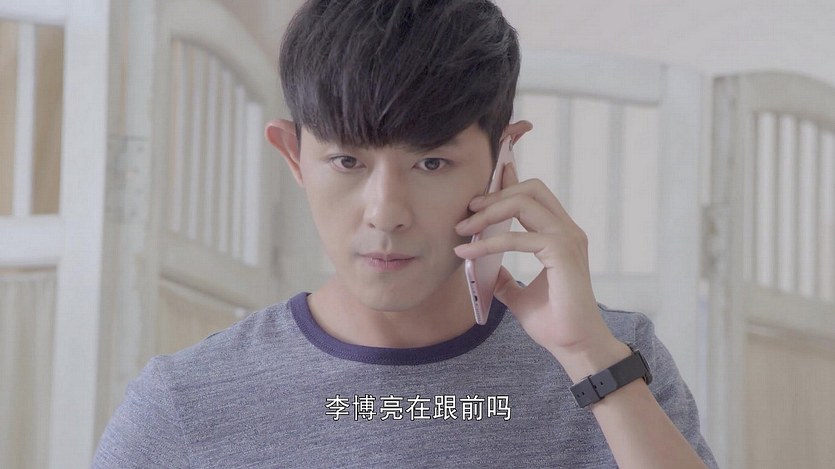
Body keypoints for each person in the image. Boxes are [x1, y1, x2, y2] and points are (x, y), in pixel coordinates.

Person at [93, 1, 718, 467]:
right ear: (294, 156)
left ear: (503, 161)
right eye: (347, 161)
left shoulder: (618, 360)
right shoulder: (186, 403)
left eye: (432, 163)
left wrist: (589, 359)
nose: (386, 213)